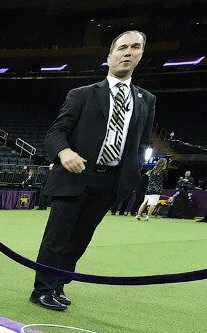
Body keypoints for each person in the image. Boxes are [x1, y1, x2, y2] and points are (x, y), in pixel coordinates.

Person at [30, 30, 155, 311]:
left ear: (141, 55)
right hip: (74, 177)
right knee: (57, 237)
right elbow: (55, 133)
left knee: (80, 240)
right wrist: (65, 153)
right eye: (122, 47)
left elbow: (141, 143)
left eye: (135, 47)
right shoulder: (82, 95)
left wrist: (131, 176)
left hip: (109, 182)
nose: (128, 52)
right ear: (109, 57)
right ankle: (42, 289)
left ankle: (59, 285)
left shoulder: (146, 100)